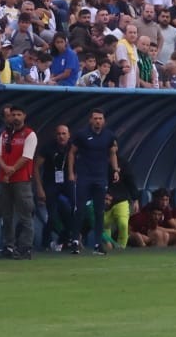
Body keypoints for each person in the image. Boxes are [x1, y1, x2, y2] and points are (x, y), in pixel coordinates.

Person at [0, 103, 38, 259]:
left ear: (24, 116)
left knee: (25, 214)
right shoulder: (4, 134)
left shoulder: (29, 134)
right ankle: (8, 246)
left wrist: (10, 169)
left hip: (21, 179)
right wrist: (4, 167)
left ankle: (25, 248)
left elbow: (27, 157)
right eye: (14, 115)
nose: (16, 117)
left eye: (19, 114)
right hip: (5, 179)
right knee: (6, 215)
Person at [71, 107, 117, 254]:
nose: (98, 121)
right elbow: (72, 153)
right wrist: (71, 173)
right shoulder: (82, 135)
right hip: (84, 176)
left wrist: (116, 170)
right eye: (95, 118)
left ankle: (97, 244)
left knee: (99, 211)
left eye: (100, 119)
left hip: (100, 177)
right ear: (90, 120)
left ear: (104, 121)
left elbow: (112, 153)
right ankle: (75, 241)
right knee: (80, 209)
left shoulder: (109, 135)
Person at [35, 123, 76, 251]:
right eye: (59, 134)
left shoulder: (73, 147)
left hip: (67, 182)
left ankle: (67, 239)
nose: (61, 136)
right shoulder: (48, 147)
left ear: (69, 135)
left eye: (64, 134)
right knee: (52, 216)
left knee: (74, 211)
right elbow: (35, 167)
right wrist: (39, 188)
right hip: (51, 183)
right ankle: (45, 243)